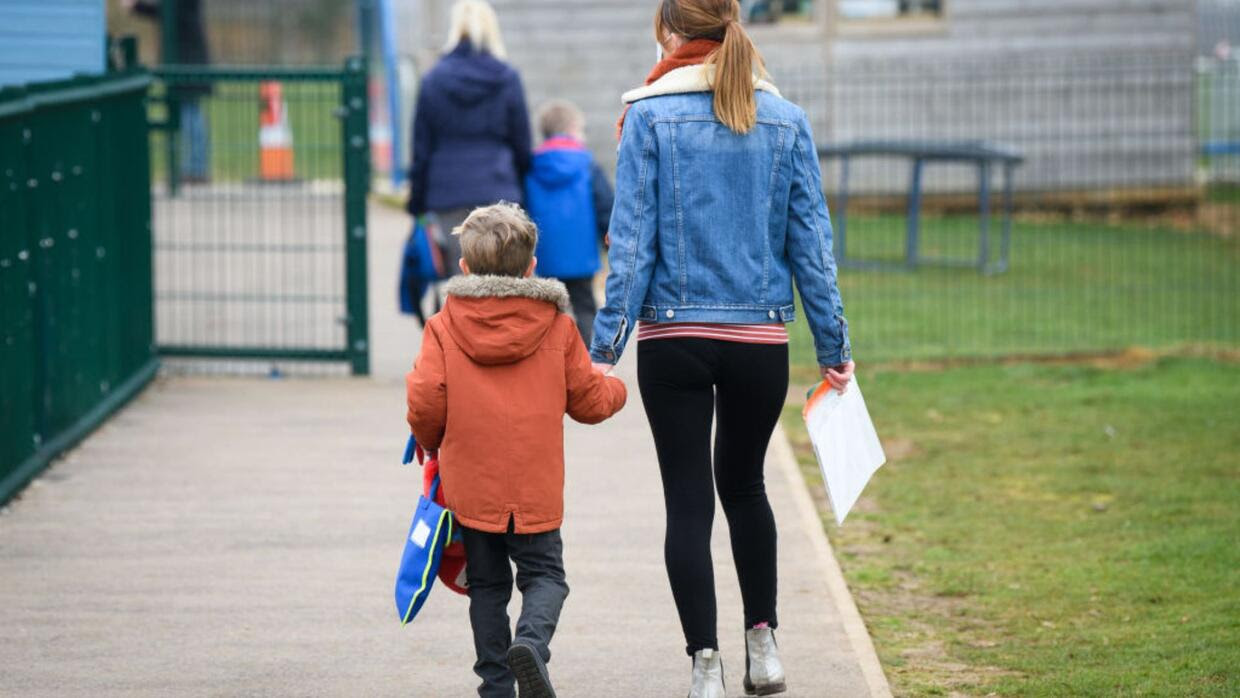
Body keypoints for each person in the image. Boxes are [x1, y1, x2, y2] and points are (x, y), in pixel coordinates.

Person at [589, 1, 856, 696]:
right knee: (746, 487)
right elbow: (813, 248)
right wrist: (834, 344)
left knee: (687, 503)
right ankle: (763, 649)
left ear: (671, 34)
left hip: (673, 339)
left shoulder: (646, 118)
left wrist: (603, 347)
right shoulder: (786, 120)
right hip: (759, 341)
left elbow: (633, 245)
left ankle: (704, 664)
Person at [405, 203, 627, 698]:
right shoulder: (557, 326)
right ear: (531, 267)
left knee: (485, 586)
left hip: (472, 487)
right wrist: (616, 389)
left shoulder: (442, 326)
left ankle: (495, 684)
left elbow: (424, 400)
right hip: (536, 486)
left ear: (463, 268)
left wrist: (429, 438)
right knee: (546, 576)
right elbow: (588, 401)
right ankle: (530, 642)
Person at [406, 0, 531, 278]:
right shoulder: (507, 77)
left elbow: (421, 149)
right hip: (499, 189)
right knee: (507, 281)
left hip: (447, 194)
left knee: (460, 281)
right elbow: (522, 144)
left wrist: (416, 203)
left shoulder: (433, 80)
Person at [524, 100, 615, 344]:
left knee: (549, 311)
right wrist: (612, 246)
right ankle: (587, 361)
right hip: (581, 256)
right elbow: (605, 206)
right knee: (585, 307)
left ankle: (551, 359)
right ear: (573, 128)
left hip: (545, 256)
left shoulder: (531, 166)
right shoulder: (586, 164)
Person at [123, 0, 212, 183]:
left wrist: (137, 7)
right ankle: (192, 167)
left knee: (190, 115)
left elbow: (167, 12)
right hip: (185, 64)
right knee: (187, 114)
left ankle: (196, 169)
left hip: (189, 65)